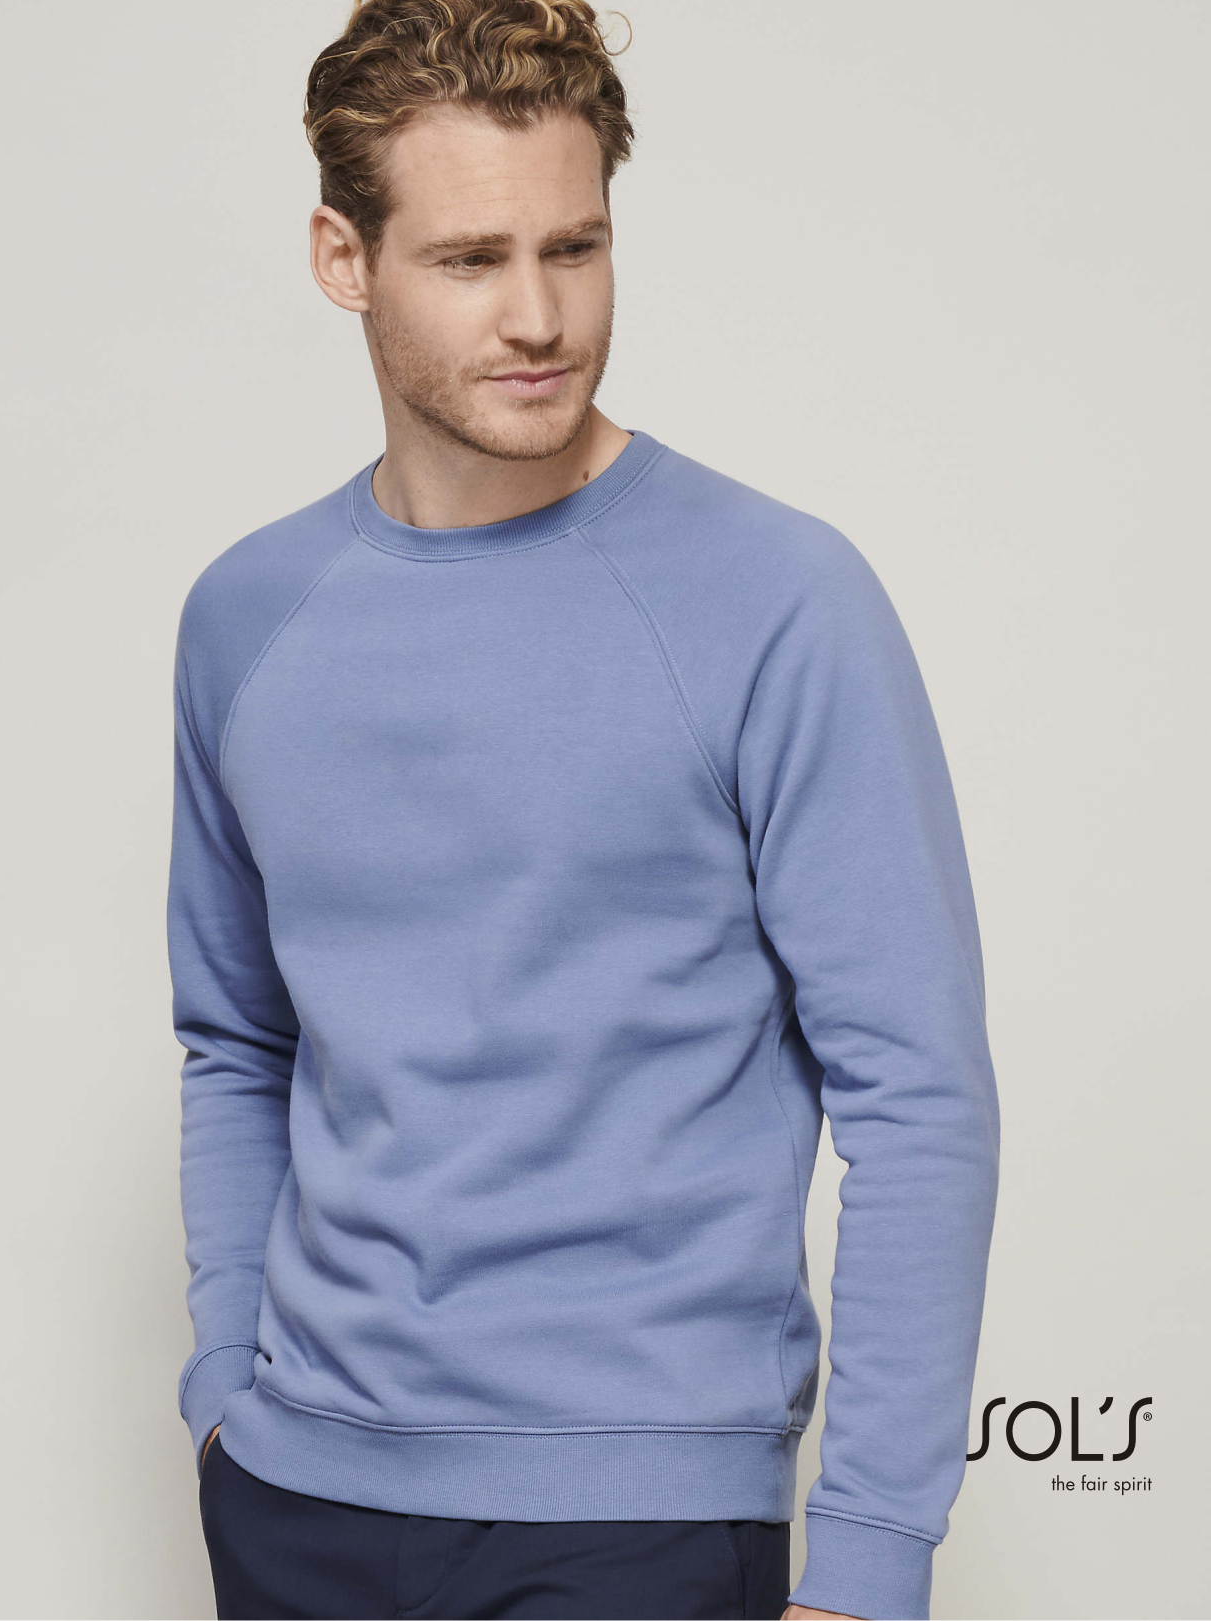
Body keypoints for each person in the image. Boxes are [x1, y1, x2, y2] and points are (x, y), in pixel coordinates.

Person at [168, 2, 1000, 1617]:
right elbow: (236, 1037)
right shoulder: (247, 617)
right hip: (295, 1500)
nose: (540, 316)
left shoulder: (777, 597)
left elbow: (917, 1091)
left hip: (639, 1519)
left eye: (576, 247)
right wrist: (224, 1385)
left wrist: (870, 1556)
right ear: (345, 258)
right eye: (470, 260)